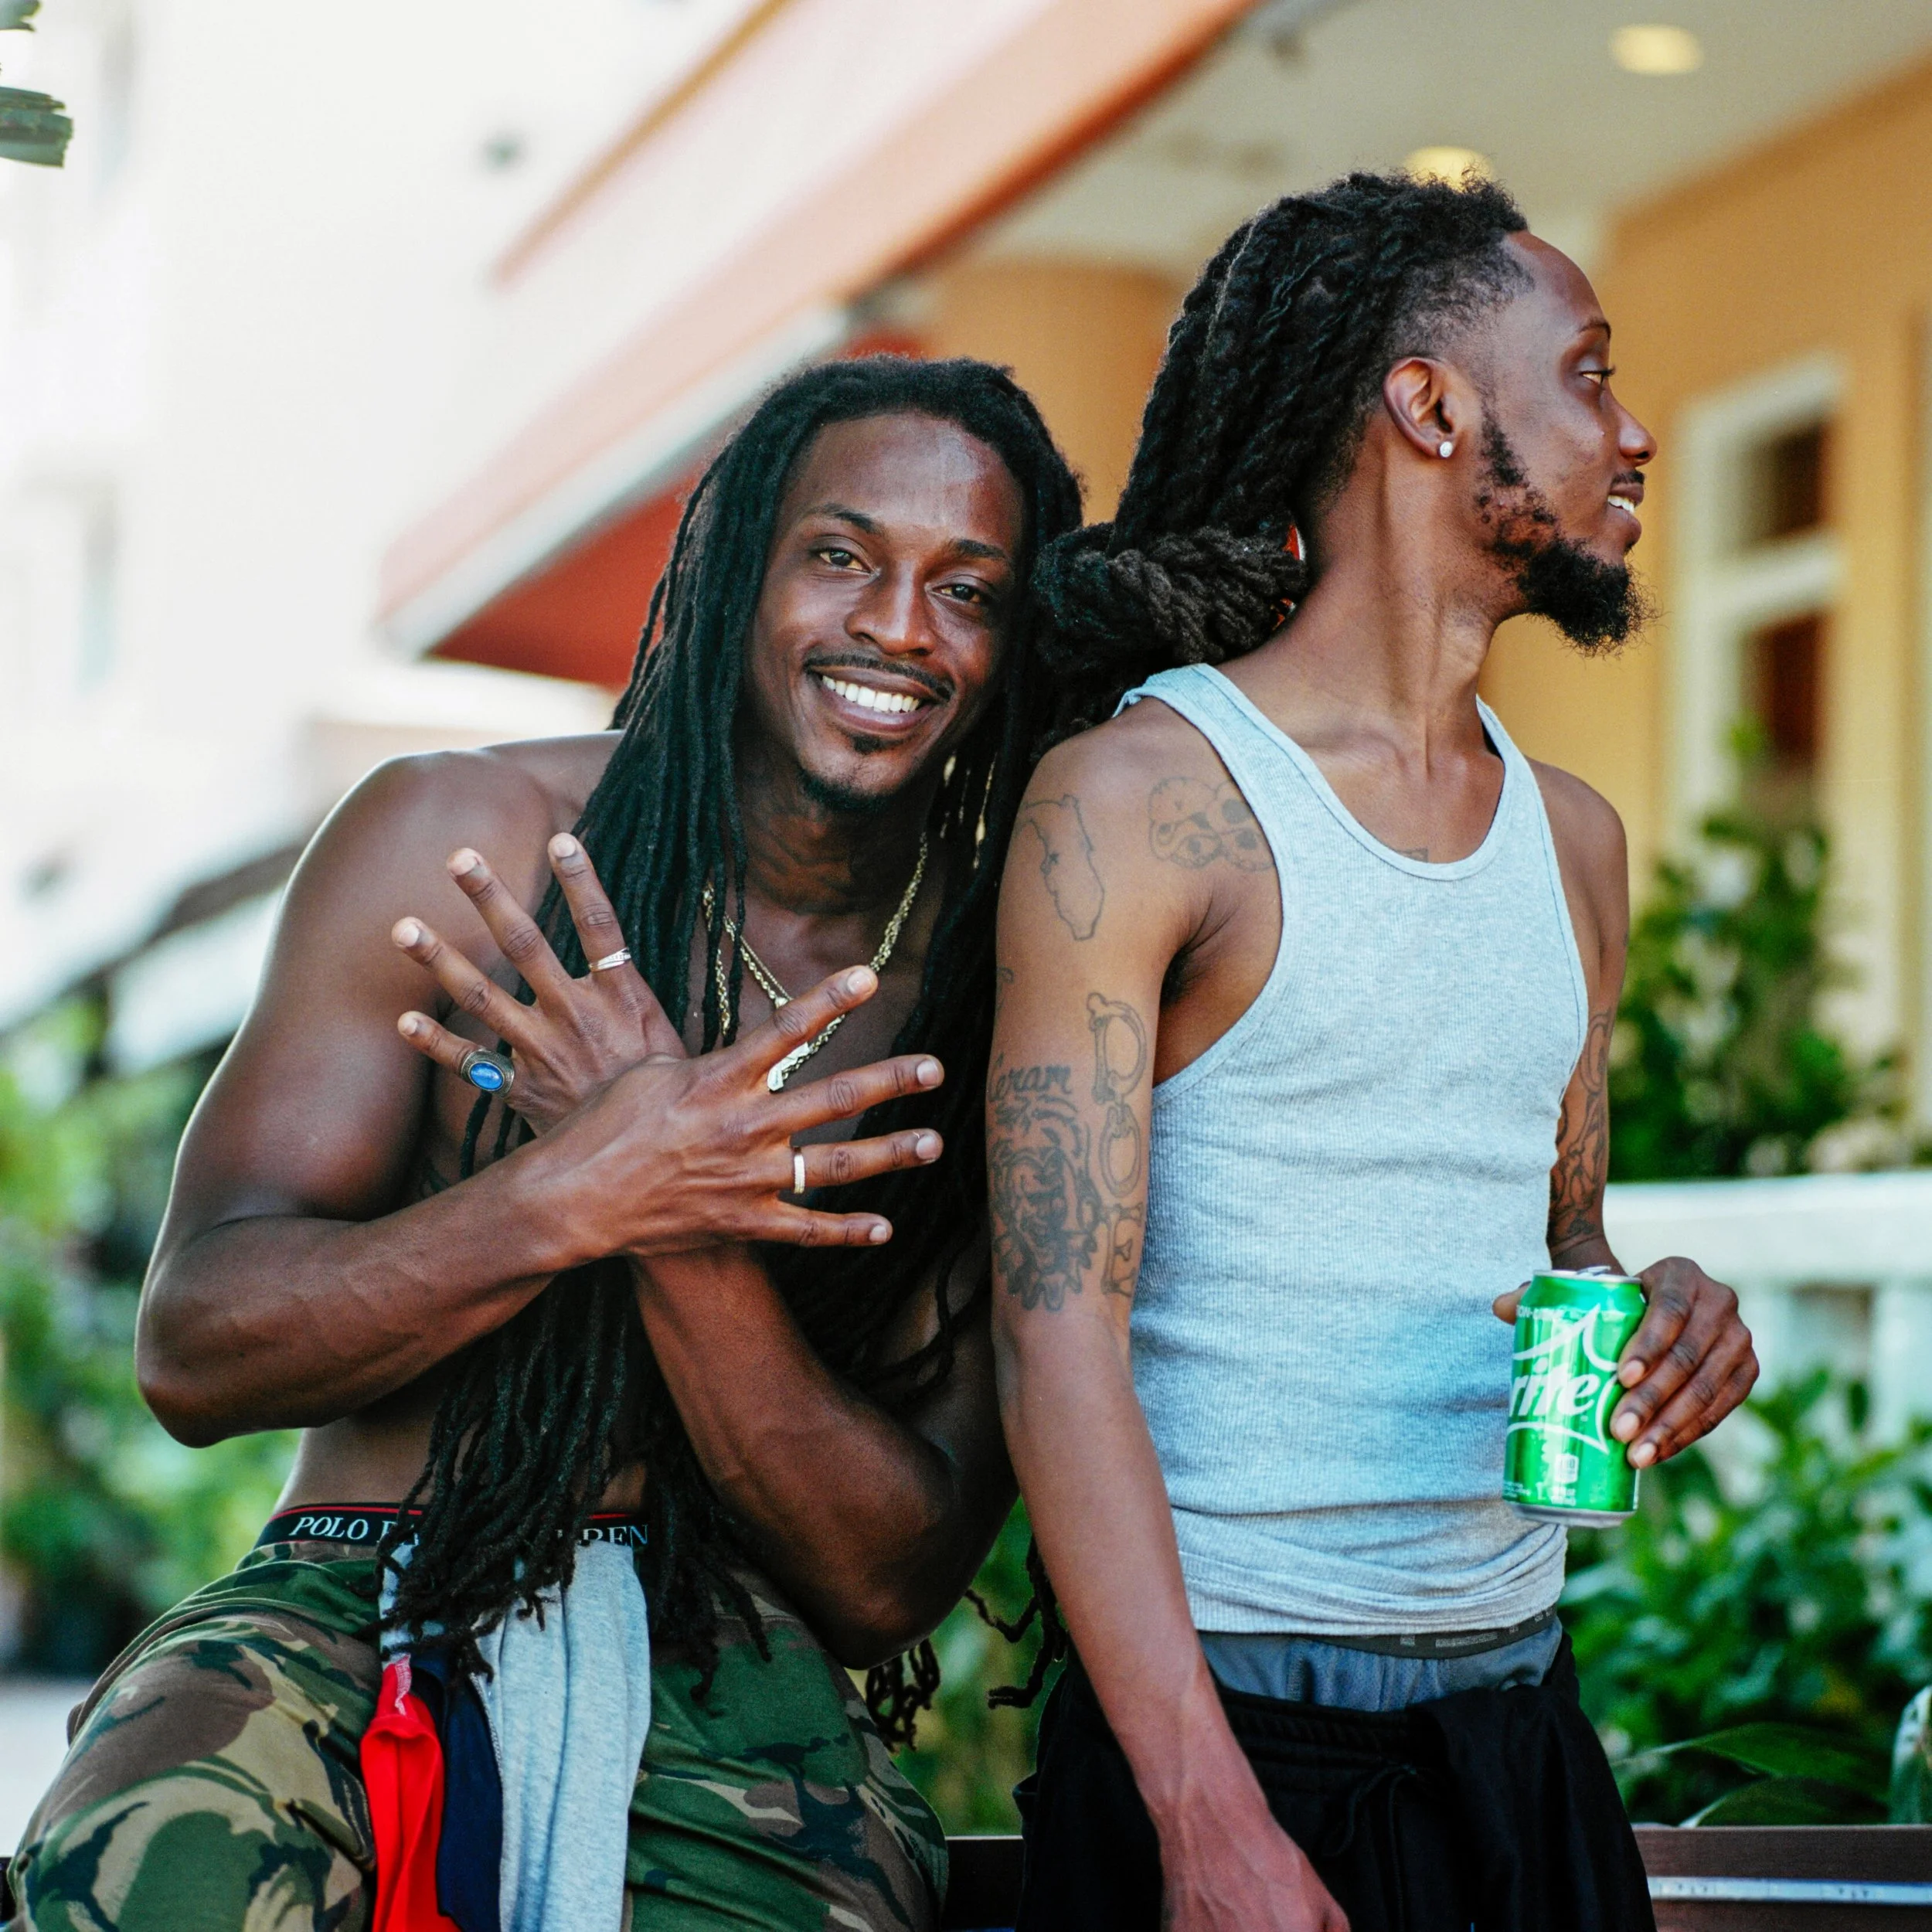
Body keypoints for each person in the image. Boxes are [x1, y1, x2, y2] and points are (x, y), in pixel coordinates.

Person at [8, 355, 1082, 1932]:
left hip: (738, 1668)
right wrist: (559, 1192)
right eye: (841, 556)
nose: (899, 627)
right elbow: (199, 1349)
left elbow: (881, 1580)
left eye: (966, 588)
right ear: (735, 573)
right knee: (145, 1882)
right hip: (354, 1589)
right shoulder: (465, 846)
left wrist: (669, 1215)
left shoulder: (999, 991)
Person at [989, 172, 1759, 1932]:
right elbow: (1054, 1341)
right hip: (1234, 1734)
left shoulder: (1570, 841)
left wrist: (1660, 1309)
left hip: (1514, 1716)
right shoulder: (1141, 802)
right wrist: (1202, 1818)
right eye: (1583, 373)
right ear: (1422, 404)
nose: (1629, 431)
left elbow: (1557, 1242)